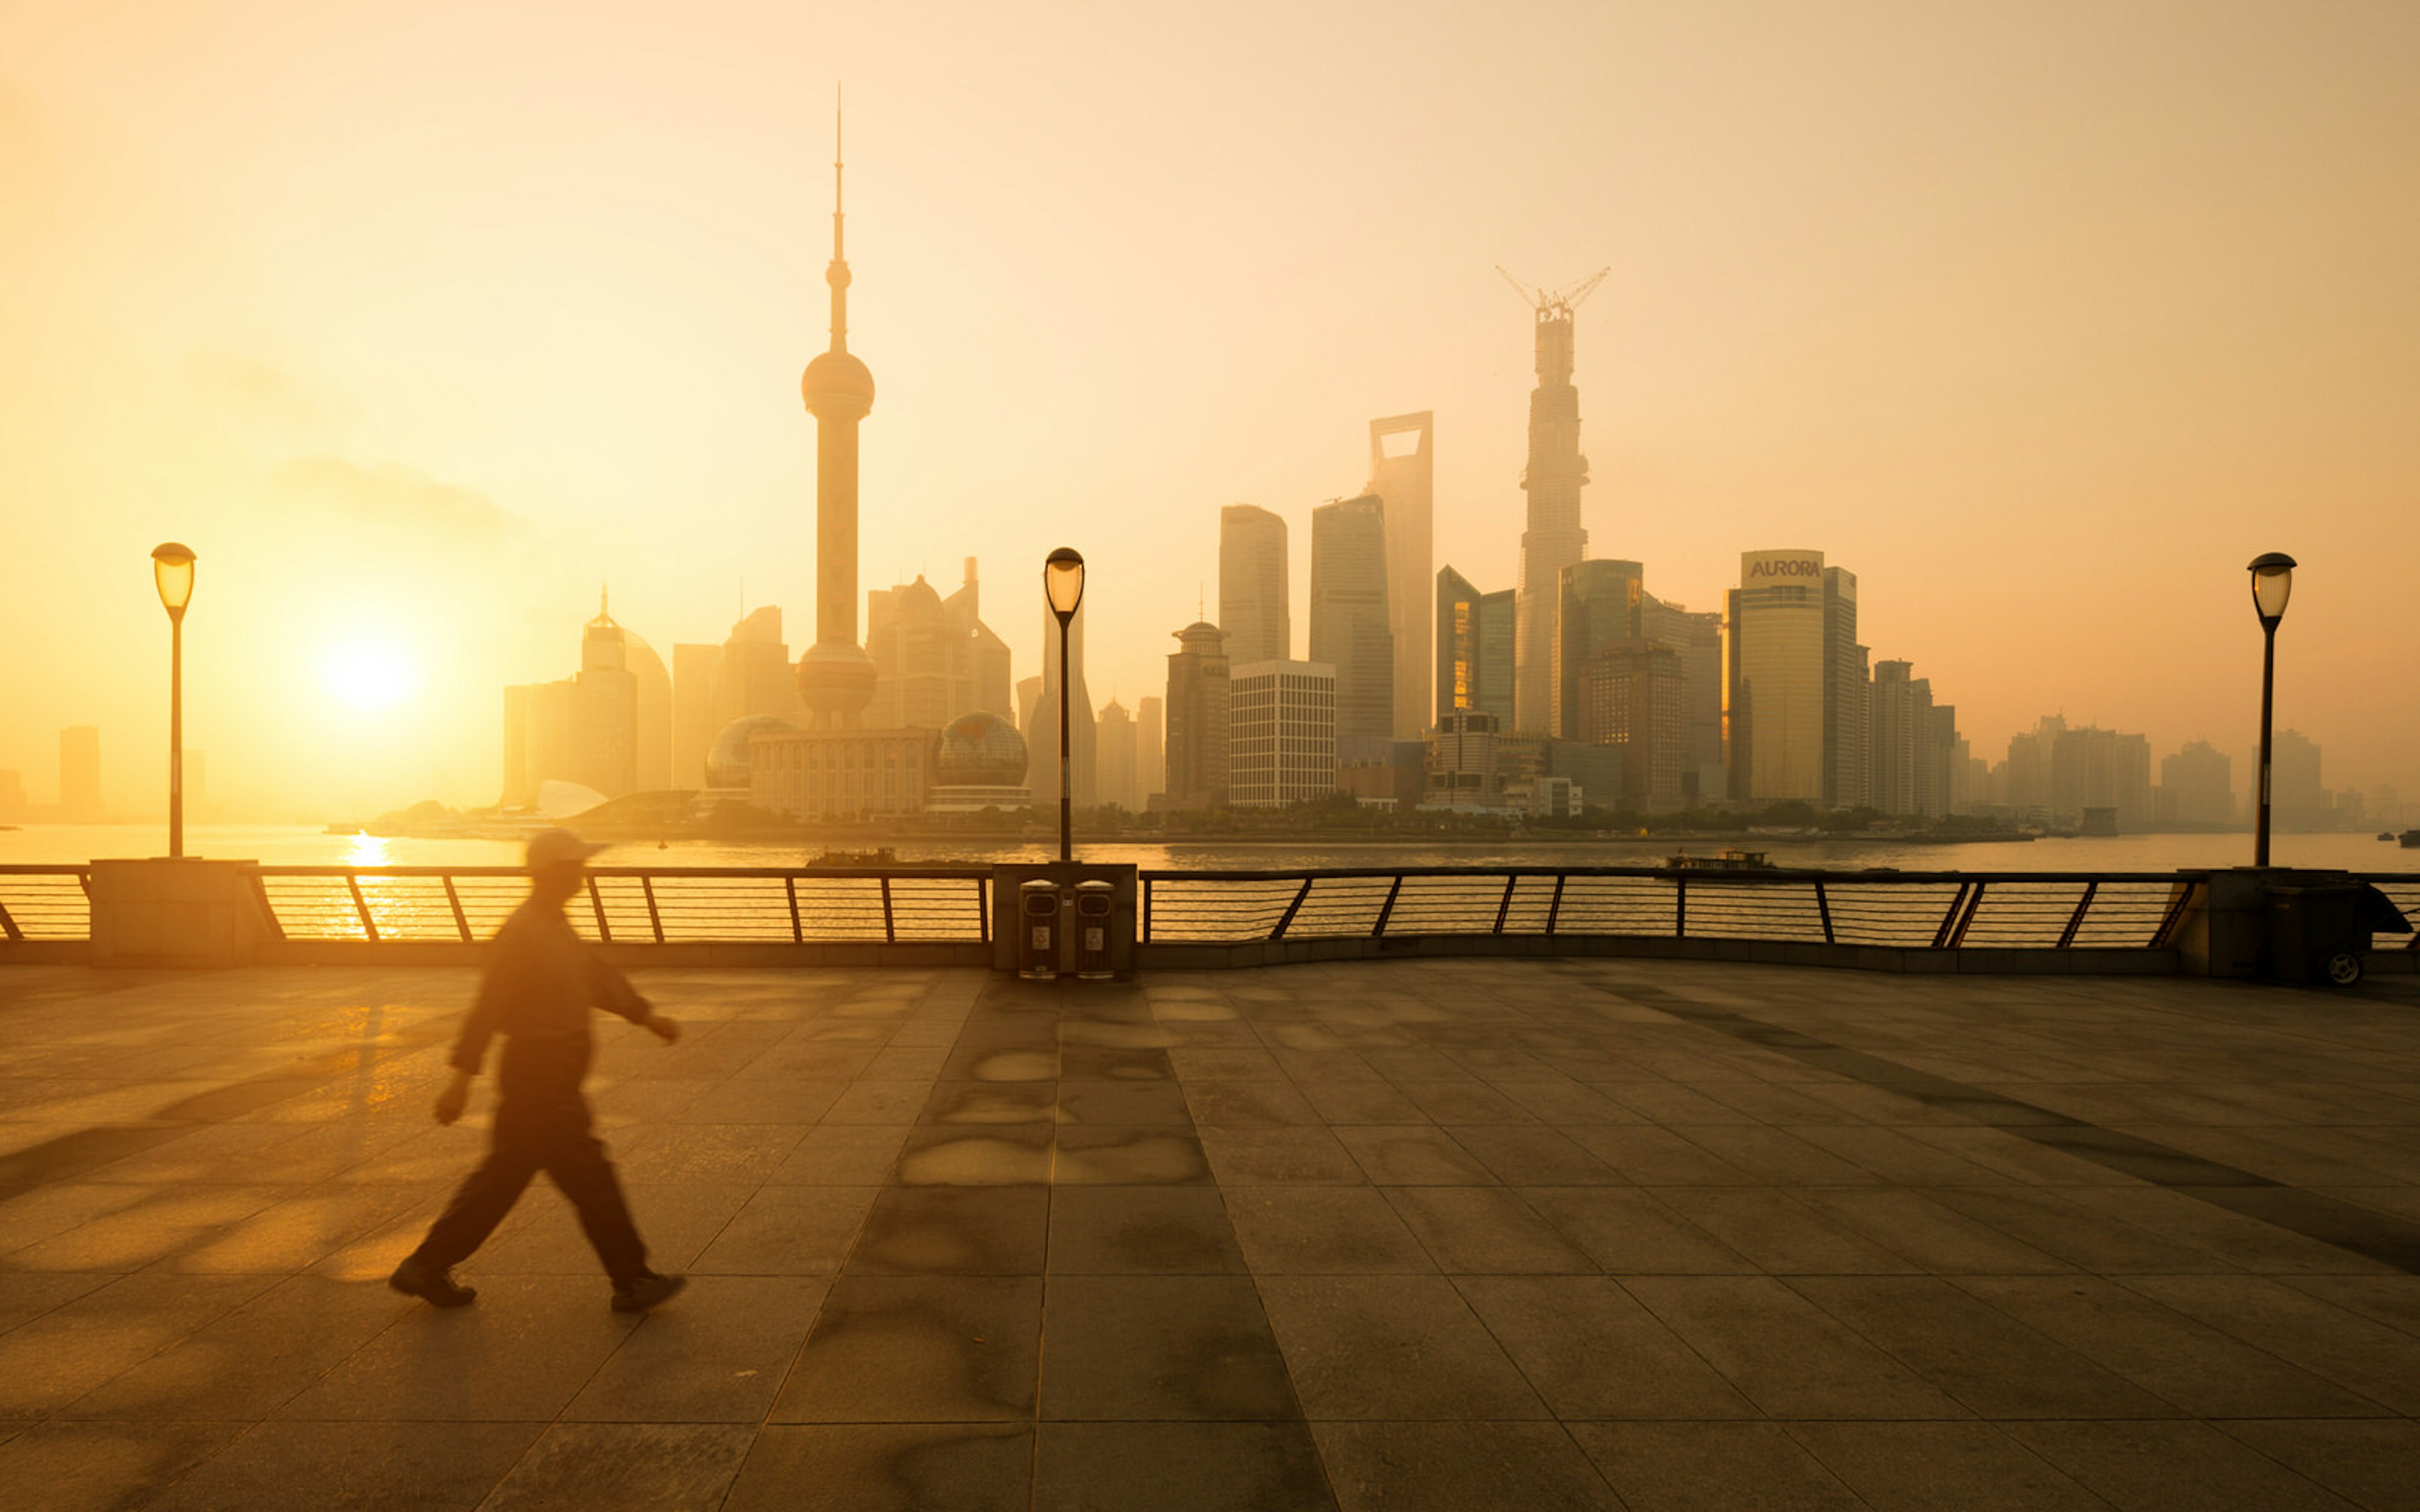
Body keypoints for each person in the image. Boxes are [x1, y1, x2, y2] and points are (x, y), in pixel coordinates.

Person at [389, 828, 688, 1312]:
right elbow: (488, 1008)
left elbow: (596, 979)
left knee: (499, 1181)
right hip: (539, 1078)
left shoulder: (554, 925)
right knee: (592, 1179)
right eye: (577, 867)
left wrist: (648, 1017)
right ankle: (631, 1280)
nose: (585, 875)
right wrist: (460, 1081)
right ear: (556, 873)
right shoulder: (523, 932)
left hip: (550, 1077)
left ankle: (425, 1266)